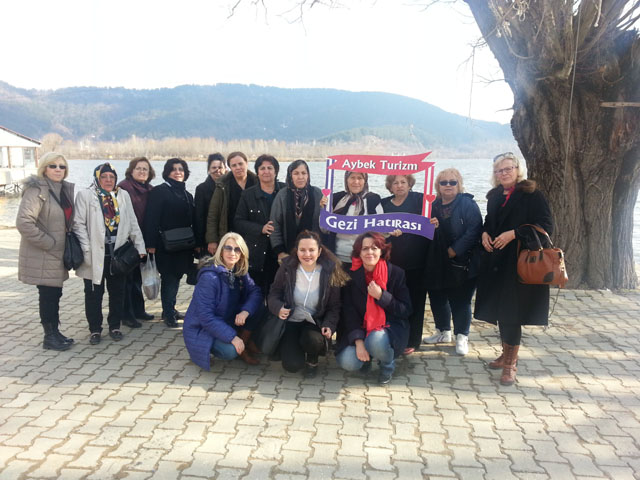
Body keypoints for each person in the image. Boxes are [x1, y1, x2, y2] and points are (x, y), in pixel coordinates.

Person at [474, 152, 553, 386]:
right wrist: (485, 233)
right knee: (500, 311)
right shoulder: (495, 196)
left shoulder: (532, 194)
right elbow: (490, 221)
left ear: (518, 170)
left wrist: (514, 233)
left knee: (512, 313)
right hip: (496, 261)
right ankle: (506, 353)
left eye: (508, 169)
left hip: (519, 262)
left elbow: (546, 226)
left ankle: (510, 364)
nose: (504, 173)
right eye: (499, 170)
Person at [74, 163, 146, 345]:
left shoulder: (122, 195)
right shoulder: (86, 195)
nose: (108, 180)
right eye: (104, 177)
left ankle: (115, 326)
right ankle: (95, 330)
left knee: (117, 293)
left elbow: (132, 221)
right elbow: (78, 224)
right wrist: (86, 248)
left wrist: (140, 247)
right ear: (97, 178)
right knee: (93, 294)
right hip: (94, 254)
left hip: (118, 254)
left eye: (111, 177)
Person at [267, 230, 350, 378]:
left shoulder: (329, 270)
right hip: (291, 320)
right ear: (296, 251)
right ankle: (293, 348)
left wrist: (329, 325)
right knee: (292, 366)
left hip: (315, 321)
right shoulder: (287, 267)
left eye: (311, 250)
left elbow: (334, 306)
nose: (307, 254)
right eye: (302, 250)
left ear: (319, 252)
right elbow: (274, 293)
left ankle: (312, 359)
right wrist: (278, 308)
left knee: (312, 341)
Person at [16, 152, 76, 351]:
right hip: (44, 253)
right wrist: (49, 243)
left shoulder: (63, 190)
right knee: (48, 294)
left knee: (55, 294)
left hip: (57, 254)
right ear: (44, 168)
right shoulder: (37, 190)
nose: (58, 169)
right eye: (53, 166)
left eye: (62, 166)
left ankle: (55, 332)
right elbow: (24, 222)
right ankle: (49, 337)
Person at [335, 232, 412, 385]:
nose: (370, 252)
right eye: (365, 249)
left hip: (388, 328)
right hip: (361, 328)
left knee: (375, 341)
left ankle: (387, 365)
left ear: (382, 251)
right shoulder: (351, 275)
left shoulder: (396, 274)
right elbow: (349, 313)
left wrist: (382, 296)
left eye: (374, 248)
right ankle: (366, 359)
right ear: (359, 252)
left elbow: (405, 309)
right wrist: (358, 342)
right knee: (348, 361)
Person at [422, 168, 482, 356]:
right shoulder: (431, 204)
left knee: (461, 300)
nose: (448, 185)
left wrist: (453, 250)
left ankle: (462, 336)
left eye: (452, 182)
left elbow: (474, 230)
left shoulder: (468, 204)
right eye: (443, 182)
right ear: (437, 186)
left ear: (459, 184)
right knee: (437, 296)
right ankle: (443, 331)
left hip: (463, 261)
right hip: (437, 260)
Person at [183, 232, 263, 368]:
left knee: (257, 307)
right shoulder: (209, 278)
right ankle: (239, 347)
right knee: (230, 351)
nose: (233, 252)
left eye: (237, 249)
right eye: (228, 248)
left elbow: (255, 291)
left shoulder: (238, 269)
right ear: (221, 250)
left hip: (226, 319)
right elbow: (206, 317)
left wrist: (245, 311)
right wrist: (232, 337)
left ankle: (244, 342)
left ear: (242, 253)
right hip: (203, 329)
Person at [144, 158, 195, 328]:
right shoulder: (160, 191)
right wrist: (150, 244)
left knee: (177, 277)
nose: (178, 172)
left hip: (183, 245)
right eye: (173, 169)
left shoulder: (187, 195)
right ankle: (167, 313)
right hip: (165, 246)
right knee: (169, 279)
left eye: (181, 169)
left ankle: (171, 308)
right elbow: (151, 218)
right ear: (167, 172)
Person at [381, 174, 430, 354]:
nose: (399, 186)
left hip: (417, 261)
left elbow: (431, 222)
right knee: (394, 302)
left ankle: (413, 340)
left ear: (409, 184)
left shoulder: (421, 200)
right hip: (392, 262)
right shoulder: (384, 204)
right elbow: (376, 230)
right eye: (395, 183)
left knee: (416, 302)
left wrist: (433, 222)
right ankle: (394, 336)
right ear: (390, 186)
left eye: (403, 182)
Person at [234, 154, 285, 295]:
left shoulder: (286, 191)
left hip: (281, 250)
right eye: (262, 168)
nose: (266, 171)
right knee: (257, 291)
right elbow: (238, 222)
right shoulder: (248, 195)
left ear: (276, 171)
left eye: (270, 168)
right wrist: (260, 229)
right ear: (257, 172)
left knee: (279, 290)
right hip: (257, 251)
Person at [118, 157, 156, 327]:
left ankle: (139, 310)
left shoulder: (150, 189)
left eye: (145, 169)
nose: (142, 171)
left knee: (138, 279)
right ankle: (126, 314)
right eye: (138, 168)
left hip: (144, 239)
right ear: (131, 171)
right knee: (127, 280)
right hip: (128, 241)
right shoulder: (123, 188)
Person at [270, 159, 325, 262]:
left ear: (308, 175)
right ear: (290, 176)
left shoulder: (317, 194)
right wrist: (280, 251)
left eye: (304, 173)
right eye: (296, 173)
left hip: (313, 253)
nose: (300, 177)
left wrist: (324, 209)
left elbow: (324, 225)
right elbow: (274, 225)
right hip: (287, 252)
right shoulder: (283, 195)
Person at [328, 171, 383, 269]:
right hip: (338, 257)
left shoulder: (373, 200)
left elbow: (381, 229)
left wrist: (391, 231)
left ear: (365, 181)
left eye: (360, 178)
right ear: (346, 180)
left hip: (364, 259)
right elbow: (324, 228)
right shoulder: (336, 199)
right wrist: (324, 209)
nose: (356, 181)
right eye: (352, 177)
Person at [206, 152, 257, 254]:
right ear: (229, 168)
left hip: (253, 234)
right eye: (234, 165)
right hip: (229, 233)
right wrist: (212, 240)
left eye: (240, 164)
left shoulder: (257, 182)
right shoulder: (223, 185)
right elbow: (213, 214)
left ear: (246, 163)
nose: (238, 167)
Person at [194, 153, 226, 254]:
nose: (218, 171)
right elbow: (199, 217)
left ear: (225, 168)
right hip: (209, 240)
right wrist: (199, 242)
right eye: (214, 167)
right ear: (209, 170)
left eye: (220, 167)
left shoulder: (229, 186)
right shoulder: (201, 189)